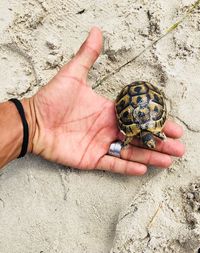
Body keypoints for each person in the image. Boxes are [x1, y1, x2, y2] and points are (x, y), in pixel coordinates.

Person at [0, 27, 185, 175]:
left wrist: (32, 122)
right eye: (150, 141)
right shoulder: (135, 132)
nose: (149, 142)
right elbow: (128, 134)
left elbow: (137, 131)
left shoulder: (149, 130)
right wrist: (32, 120)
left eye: (149, 142)